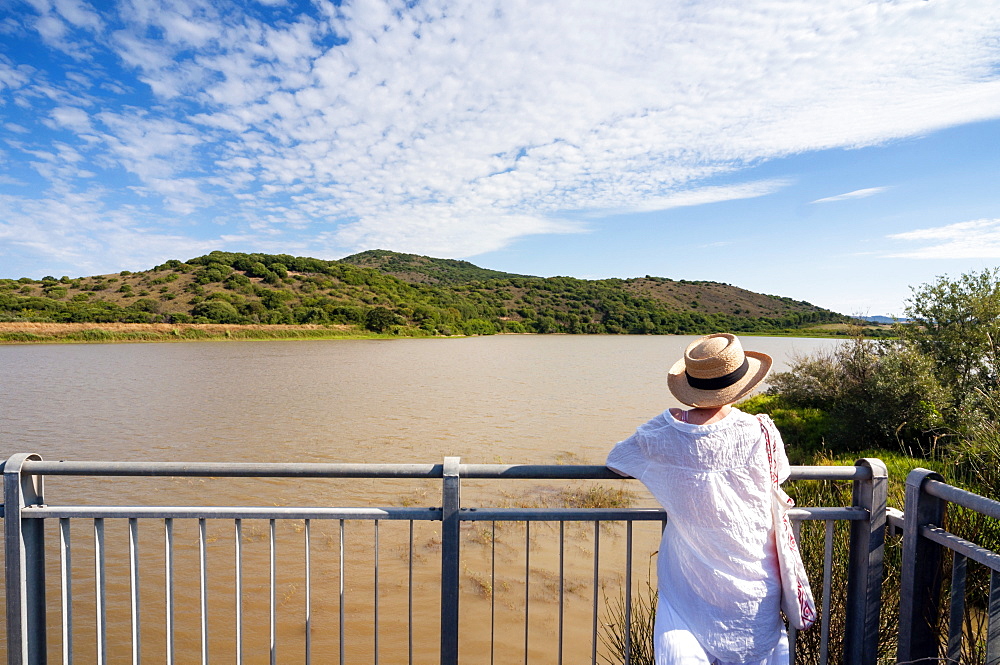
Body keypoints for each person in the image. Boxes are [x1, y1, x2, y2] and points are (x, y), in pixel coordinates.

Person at [605, 333, 790, 665]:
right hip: (756, 581)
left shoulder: (661, 433)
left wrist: (671, 425)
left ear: (690, 384)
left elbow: (617, 460)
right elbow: (781, 475)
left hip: (689, 586)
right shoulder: (761, 430)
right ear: (742, 383)